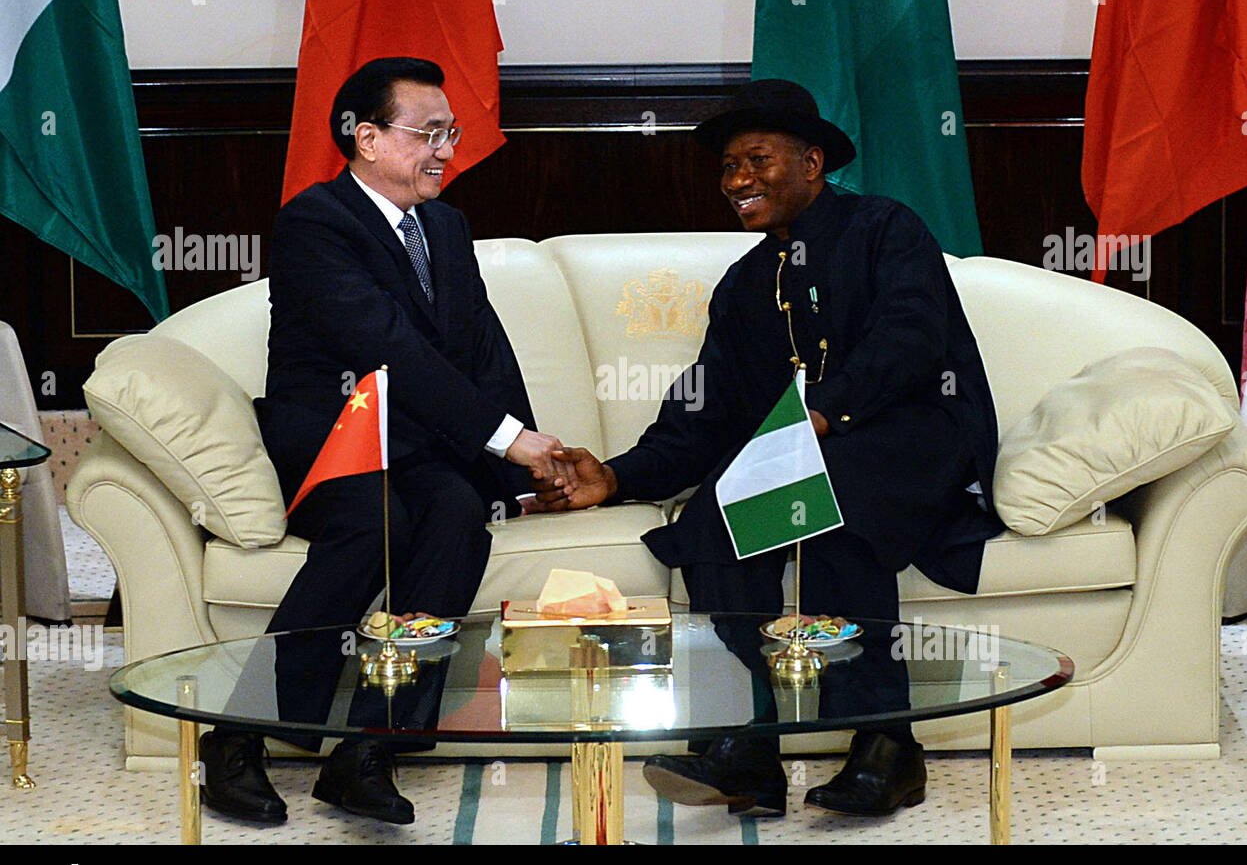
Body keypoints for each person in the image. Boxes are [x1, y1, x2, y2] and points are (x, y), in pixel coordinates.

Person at [533, 79, 1003, 818]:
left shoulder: (886, 228)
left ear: (813, 162)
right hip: (810, 454)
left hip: (914, 440)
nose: (738, 180)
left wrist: (824, 410)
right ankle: (748, 743)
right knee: (714, 522)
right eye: (727, 167)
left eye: (757, 159)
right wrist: (616, 475)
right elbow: (703, 412)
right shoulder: (745, 284)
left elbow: (911, 342)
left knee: (833, 503)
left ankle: (887, 742)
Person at [200, 57, 568, 826]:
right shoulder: (315, 222)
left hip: (416, 444)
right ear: (366, 138)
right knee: (378, 522)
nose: (443, 150)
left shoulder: (446, 223)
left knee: (459, 513)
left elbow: (480, 348)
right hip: (331, 439)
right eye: (425, 133)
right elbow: (387, 344)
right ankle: (237, 737)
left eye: (450, 133)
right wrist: (509, 439)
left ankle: (370, 745)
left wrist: (521, 471)